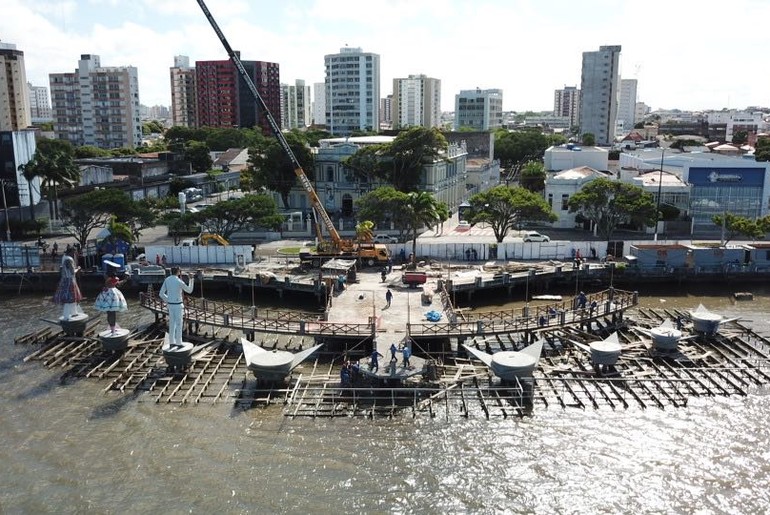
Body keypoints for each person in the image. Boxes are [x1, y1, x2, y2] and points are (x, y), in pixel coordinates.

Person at [159, 266, 195, 347]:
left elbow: (161, 294)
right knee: (179, 324)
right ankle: (179, 342)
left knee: (172, 323)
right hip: (178, 305)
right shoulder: (179, 281)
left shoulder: (167, 280)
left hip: (170, 305)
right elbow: (189, 290)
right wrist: (191, 279)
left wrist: (168, 300)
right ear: (178, 272)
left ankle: (172, 342)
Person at [94, 264, 128, 333]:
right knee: (112, 313)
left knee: (109, 313)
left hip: (106, 295)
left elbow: (109, 284)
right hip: (112, 294)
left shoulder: (107, 276)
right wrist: (125, 279)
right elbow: (117, 283)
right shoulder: (113, 278)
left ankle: (111, 326)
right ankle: (112, 328)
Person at [53, 247, 83, 320]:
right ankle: (66, 316)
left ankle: (74, 313)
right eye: (74, 252)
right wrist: (78, 269)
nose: (75, 254)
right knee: (69, 298)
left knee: (72, 298)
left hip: (65, 280)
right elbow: (73, 272)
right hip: (70, 280)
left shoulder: (64, 257)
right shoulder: (69, 259)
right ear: (71, 252)